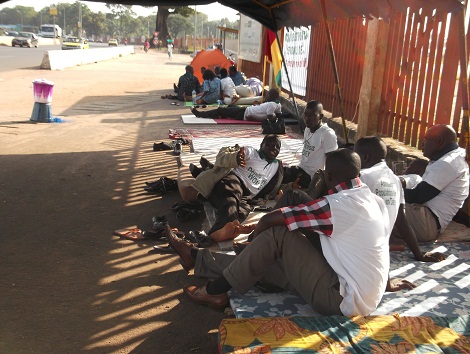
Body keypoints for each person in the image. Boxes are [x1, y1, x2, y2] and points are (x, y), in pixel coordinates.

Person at [168, 149, 392, 315]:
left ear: (329, 177)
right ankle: (196, 257)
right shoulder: (373, 200)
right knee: (268, 245)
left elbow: (269, 219)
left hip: (340, 298)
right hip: (356, 287)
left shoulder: (338, 205)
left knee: (277, 235)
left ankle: (216, 290)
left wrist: (255, 242)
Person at [354, 136, 446, 263]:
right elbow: (402, 222)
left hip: (360, 245)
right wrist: (418, 254)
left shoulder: (362, 177)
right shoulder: (395, 180)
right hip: (380, 247)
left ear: (365, 157)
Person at [191, 134, 284, 242]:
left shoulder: (277, 166)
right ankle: (221, 230)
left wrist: (290, 186)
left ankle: (225, 230)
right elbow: (224, 154)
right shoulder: (250, 152)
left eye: (277, 147)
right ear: (261, 144)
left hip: (248, 196)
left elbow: (281, 181)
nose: (274, 148)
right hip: (234, 181)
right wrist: (235, 157)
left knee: (241, 210)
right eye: (270, 144)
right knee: (230, 199)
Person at [391, 124, 469, 243]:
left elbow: (417, 196)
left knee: (376, 205)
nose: (422, 143)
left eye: (426, 140)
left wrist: (384, 190)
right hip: (428, 218)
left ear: (439, 141)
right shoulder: (456, 154)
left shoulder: (447, 163)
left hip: (427, 222)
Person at [283, 100, 338, 188]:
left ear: (320, 116)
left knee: (286, 185)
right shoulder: (308, 129)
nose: (307, 118)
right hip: (302, 169)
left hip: (312, 176)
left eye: (312, 115)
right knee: (279, 172)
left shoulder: (327, 134)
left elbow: (331, 161)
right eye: (306, 114)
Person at [191, 88, 281, 122]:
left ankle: (199, 114)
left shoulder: (271, 105)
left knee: (220, 109)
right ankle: (221, 115)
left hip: (243, 113)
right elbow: (279, 116)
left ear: (272, 96)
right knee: (230, 107)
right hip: (245, 111)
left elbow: (270, 117)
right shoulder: (277, 105)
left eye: (268, 94)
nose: (266, 96)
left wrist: (273, 116)